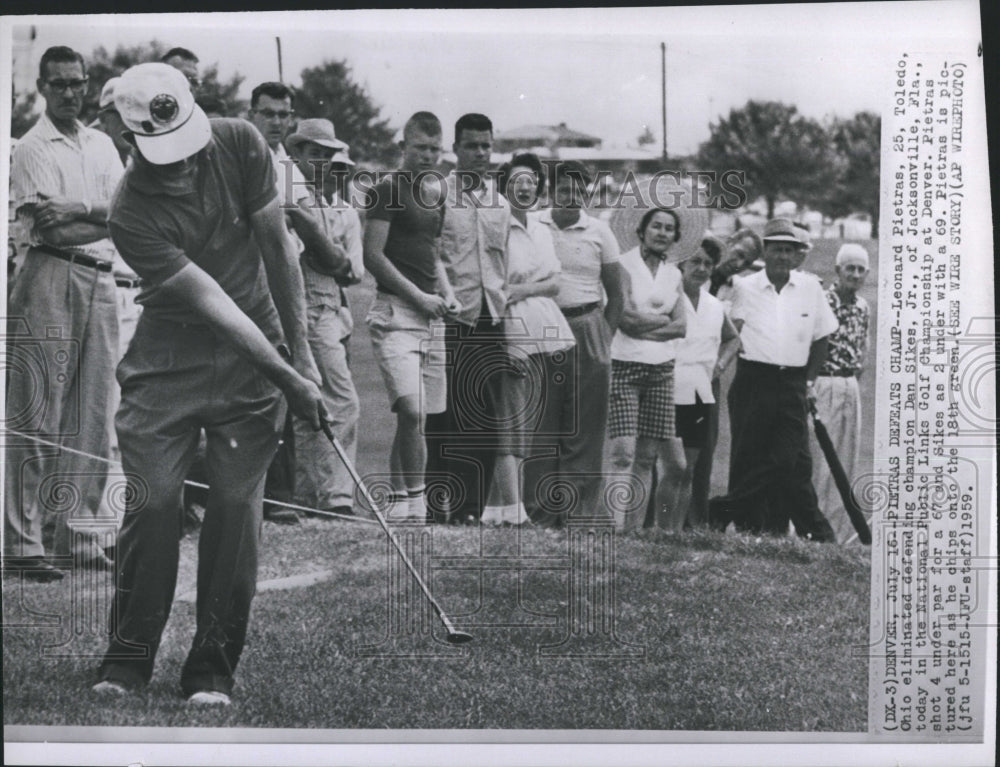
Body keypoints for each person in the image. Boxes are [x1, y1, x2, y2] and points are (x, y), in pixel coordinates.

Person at [93, 62, 325, 705]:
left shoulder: (243, 141)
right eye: (167, 154)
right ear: (131, 138)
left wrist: (300, 356)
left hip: (255, 361)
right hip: (170, 359)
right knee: (154, 501)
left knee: (233, 510)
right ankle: (128, 659)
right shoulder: (128, 211)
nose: (186, 163)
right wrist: (288, 374)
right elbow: (212, 303)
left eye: (189, 143)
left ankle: (211, 670)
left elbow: (278, 250)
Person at [4, 46, 125, 580]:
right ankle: (22, 541)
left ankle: (77, 536)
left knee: (94, 410)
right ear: (42, 88)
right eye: (59, 85)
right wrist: (105, 217)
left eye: (78, 83)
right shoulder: (32, 146)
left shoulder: (101, 143)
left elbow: (131, 211)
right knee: (38, 410)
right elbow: (53, 229)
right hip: (50, 272)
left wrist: (86, 212)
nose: (70, 93)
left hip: (101, 278)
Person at [710, 218, 838, 541]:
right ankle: (752, 528)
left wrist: (808, 382)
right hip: (753, 379)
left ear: (796, 255)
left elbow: (822, 339)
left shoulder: (810, 287)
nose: (782, 256)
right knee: (748, 453)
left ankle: (723, 510)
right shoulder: (743, 287)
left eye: (789, 251)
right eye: (777, 249)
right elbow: (724, 323)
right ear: (765, 252)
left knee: (786, 458)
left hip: (793, 382)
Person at [364, 111, 455, 522]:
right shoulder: (387, 189)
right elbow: (373, 255)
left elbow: (432, 255)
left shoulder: (435, 193)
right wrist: (419, 296)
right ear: (403, 147)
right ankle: (417, 506)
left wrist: (447, 295)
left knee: (417, 417)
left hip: (431, 317)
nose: (428, 156)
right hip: (396, 312)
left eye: (435, 149)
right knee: (413, 409)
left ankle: (401, 501)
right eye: (420, 148)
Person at [424, 113, 509, 525]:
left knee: (486, 418)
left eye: (486, 146)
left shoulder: (500, 202)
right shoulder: (437, 193)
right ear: (455, 149)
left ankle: (472, 508)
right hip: (452, 317)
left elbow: (506, 261)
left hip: (492, 318)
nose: (480, 153)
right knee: (446, 415)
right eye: (472, 145)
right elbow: (431, 252)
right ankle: (440, 506)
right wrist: (446, 297)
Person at [482, 153, 575, 526]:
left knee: (526, 421)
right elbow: (495, 286)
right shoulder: (495, 224)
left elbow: (554, 282)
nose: (525, 186)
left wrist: (521, 290)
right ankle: (515, 514)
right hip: (510, 327)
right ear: (505, 185)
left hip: (542, 327)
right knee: (510, 421)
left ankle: (493, 511)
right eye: (518, 180)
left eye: (531, 181)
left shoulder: (539, 226)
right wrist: (509, 329)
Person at [532, 160, 624, 527]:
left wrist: (603, 337)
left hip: (587, 326)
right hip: (543, 325)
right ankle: (540, 515)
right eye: (565, 189)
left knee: (584, 428)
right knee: (542, 424)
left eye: (579, 190)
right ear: (552, 190)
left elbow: (616, 297)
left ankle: (579, 517)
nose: (572, 197)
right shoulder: (535, 223)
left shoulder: (600, 231)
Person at [285, 118, 364, 517]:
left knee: (333, 401)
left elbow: (352, 270)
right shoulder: (291, 196)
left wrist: (328, 255)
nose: (329, 169)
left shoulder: (346, 213)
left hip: (331, 309)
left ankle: (328, 495)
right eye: (317, 156)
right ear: (297, 155)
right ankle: (322, 495)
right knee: (330, 402)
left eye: (334, 163)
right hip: (299, 306)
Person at [247, 81, 315, 523]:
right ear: (251, 113)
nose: (275, 121)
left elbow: (301, 220)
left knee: (283, 382)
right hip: (246, 281)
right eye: (267, 113)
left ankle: (279, 495)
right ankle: (254, 493)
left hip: (281, 282)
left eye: (282, 114)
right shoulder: (242, 153)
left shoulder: (287, 165)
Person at [606, 207, 688, 532]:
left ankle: (633, 529)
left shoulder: (675, 275)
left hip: (662, 371)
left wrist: (646, 325)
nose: (662, 233)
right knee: (623, 451)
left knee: (646, 457)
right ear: (642, 230)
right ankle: (613, 526)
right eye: (656, 226)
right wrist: (661, 321)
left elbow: (681, 326)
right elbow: (625, 319)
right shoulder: (623, 265)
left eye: (669, 229)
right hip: (625, 366)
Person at [667, 235, 740, 527]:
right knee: (671, 463)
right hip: (669, 387)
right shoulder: (670, 299)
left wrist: (720, 365)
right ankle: (658, 526)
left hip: (703, 390)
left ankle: (691, 527)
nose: (701, 268)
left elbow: (733, 338)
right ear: (682, 263)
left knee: (696, 465)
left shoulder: (713, 305)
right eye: (695, 261)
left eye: (708, 264)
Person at [808, 243, 871, 544]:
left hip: (849, 385)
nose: (855, 275)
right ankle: (811, 528)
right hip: (825, 382)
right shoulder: (823, 301)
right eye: (850, 268)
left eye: (861, 270)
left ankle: (835, 531)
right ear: (838, 270)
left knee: (846, 459)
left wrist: (853, 381)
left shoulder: (862, 307)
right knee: (822, 459)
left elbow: (863, 349)